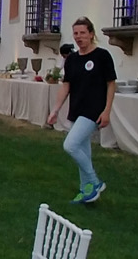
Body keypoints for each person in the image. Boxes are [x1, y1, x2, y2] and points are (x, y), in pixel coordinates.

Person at [47, 17, 115, 204]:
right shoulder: (72, 60)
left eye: (82, 33)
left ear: (91, 34)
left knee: (70, 145)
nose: (79, 37)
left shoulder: (102, 56)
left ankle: (94, 182)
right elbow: (66, 86)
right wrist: (55, 110)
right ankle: (87, 191)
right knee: (83, 152)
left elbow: (111, 84)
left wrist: (107, 111)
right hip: (77, 109)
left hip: (94, 110)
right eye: (76, 33)